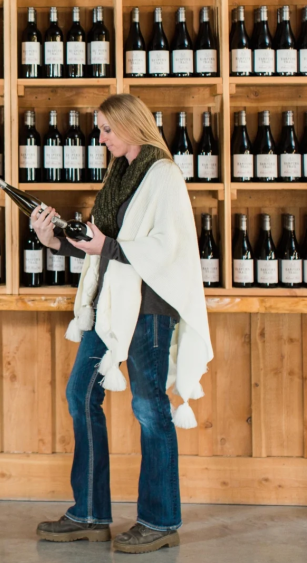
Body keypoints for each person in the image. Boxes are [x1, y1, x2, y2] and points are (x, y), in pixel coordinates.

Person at [34, 94, 213, 554]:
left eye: (107, 129)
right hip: (110, 305)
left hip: (149, 307)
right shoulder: (118, 175)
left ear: (131, 125)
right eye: (100, 129)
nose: (101, 137)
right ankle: (91, 514)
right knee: (80, 394)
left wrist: (104, 247)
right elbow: (101, 244)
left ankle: (160, 520)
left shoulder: (164, 174)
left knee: (150, 408)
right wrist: (53, 239)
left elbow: (166, 247)